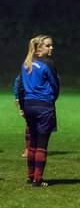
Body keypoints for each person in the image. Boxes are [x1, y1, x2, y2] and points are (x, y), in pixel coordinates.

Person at [18, 35, 60, 187]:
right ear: (37, 49)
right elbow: (55, 85)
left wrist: (23, 107)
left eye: (51, 45)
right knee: (42, 144)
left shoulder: (26, 63)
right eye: (48, 46)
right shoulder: (49, 63)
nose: (51, 48)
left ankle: (30, 177)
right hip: (44, 107)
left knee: (32, 143)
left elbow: (20, 88)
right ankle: (38, 179)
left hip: (29, 106)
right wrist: (51, 100)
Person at [14, 75, 30, 157]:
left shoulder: (46, 66)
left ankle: (32, 149)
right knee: (31, 124)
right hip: (29, 100)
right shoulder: (27, 68)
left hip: (41, 100)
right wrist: (18, 98)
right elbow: (19, 81)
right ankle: (29, 149)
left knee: (33, 125)